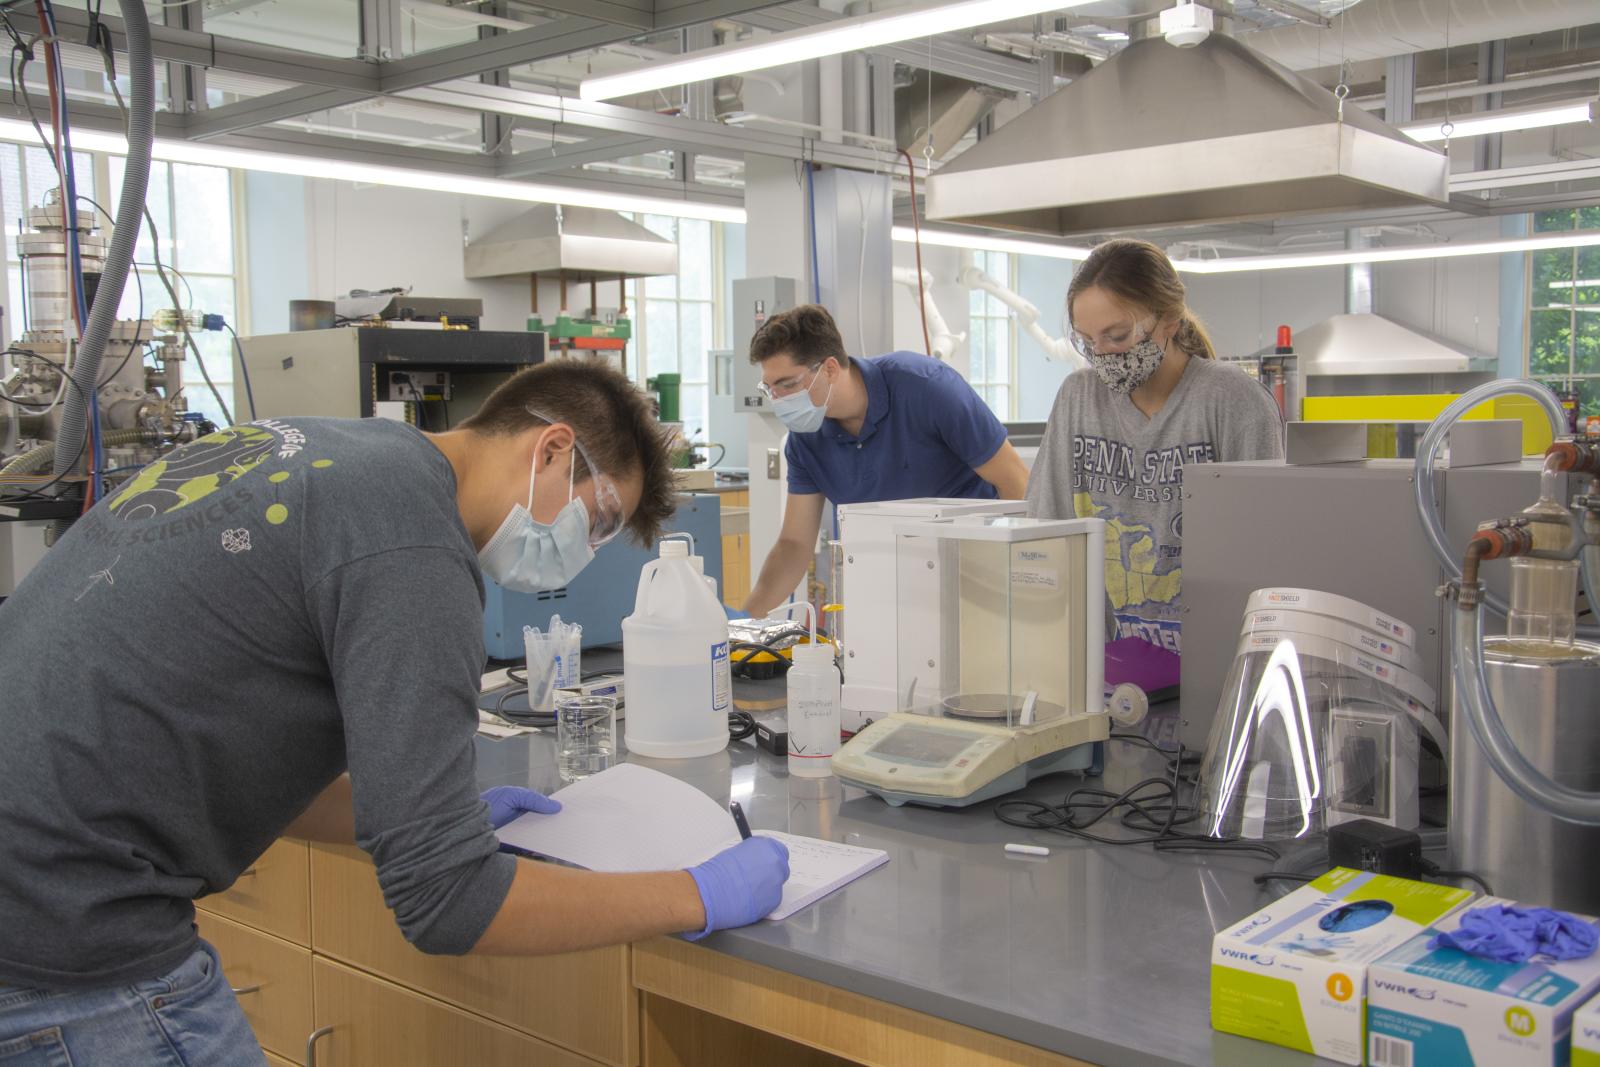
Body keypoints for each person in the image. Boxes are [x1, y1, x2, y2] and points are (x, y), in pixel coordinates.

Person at [0, 358, 789, 1065]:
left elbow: (222, 736)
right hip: (64, 939)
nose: (583, 548)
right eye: (599, 519)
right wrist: (696, 892)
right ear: (550, 450)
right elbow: (447, 902)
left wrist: (420, 813)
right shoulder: (414, 551)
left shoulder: (321, 453)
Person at [1026, 239, 1284, 657]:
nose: (1102, 356)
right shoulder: (1078, 397)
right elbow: (1045, 529)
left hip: (1210, 664)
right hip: (1105, 664)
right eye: (1088, 342)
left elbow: (1263, 553)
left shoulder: (1231, 399)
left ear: (1168, 319)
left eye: (1118, 335)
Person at [742, 304, 1030, 619]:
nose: (778, 399)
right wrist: (743, 628)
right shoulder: (805, 439)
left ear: (829, 369)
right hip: (883, 591)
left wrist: (1009, 577)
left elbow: (1015, 481)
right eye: (769, 388)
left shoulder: (927, 388)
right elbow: (794, 545)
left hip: (973, 582)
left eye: (787, 385)